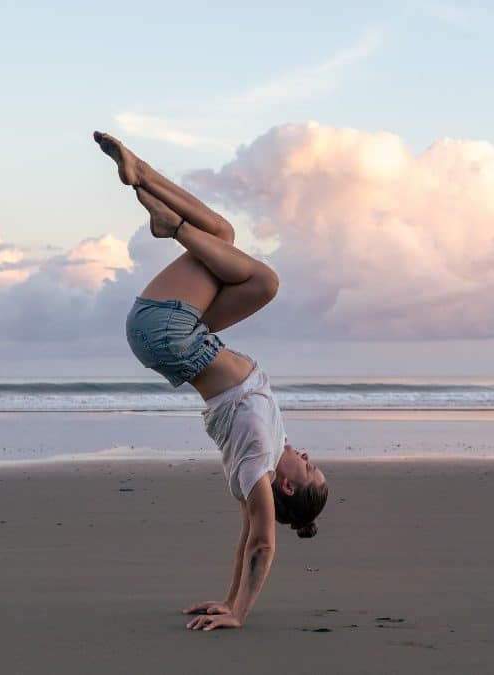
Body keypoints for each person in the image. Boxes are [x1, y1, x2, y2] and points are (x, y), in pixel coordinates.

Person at [93, 131, 329, 631]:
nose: (309, 457)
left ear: (287, 484)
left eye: (310, 469)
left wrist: (240, 613)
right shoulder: (265, 460)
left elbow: (263, 542)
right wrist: (227, 599)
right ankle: (144, 176)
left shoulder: (257, 462)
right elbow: (246, 540)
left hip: (171, 334)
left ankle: (170, 221)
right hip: (177, 337)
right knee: (222, 233)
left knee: (264, 280)